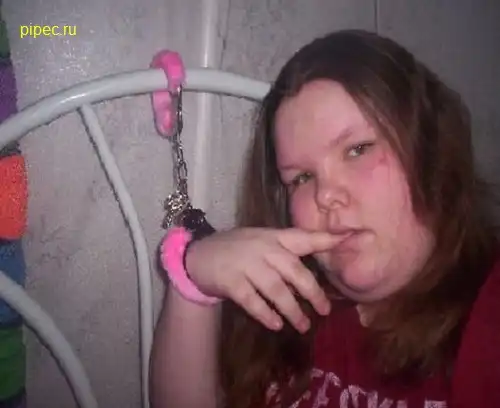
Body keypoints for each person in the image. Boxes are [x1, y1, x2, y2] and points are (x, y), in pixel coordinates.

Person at [149, 29, 500, 408]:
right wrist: (193, 277)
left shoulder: (486, 316)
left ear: (430, 153)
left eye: (358, 149)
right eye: (301, 177)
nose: (325, 195)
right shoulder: (279, 310)